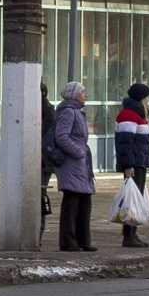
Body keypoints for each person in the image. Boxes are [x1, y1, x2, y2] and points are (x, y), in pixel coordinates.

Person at [53, 82, 97, 252]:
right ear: (73, 94)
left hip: (81, 163)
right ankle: (68, 241)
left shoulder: (77, 111)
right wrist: (78, 152)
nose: (85, 95)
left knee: (85, 202)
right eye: (82, 92)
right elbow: (61, 136)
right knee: (72, 202)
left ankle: (83, 240)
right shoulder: (69, 112)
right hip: (72, 163)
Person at [115, 83, 149, 248]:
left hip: (140, 161)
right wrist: (128, 164)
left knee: (136, 199)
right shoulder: (128, 115)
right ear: (140, 98)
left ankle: (133, 233)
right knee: (131, 200)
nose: (148, 100)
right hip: (134, 163)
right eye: (146, 97)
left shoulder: (137, 114)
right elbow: (125, 142)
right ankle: (128, 235)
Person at [40, 82, 56, 245]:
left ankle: (38, 231)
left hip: (42, 161)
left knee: (39, 195)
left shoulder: (47, 110)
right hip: (27, 159)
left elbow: (49, 139)